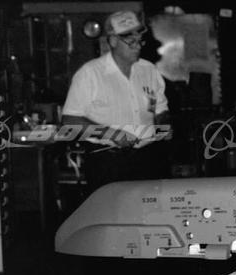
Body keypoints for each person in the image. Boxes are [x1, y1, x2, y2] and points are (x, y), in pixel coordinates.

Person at [62, 10, 172, 190]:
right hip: (108, 162)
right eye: (131, 41)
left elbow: (159, 109)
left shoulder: (149, 70)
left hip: (148, 159)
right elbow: (70, 122)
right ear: (113, 41)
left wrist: (163, 124)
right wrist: (113, 134)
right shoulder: (90, 74)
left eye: (139, 40)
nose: (138, 46)